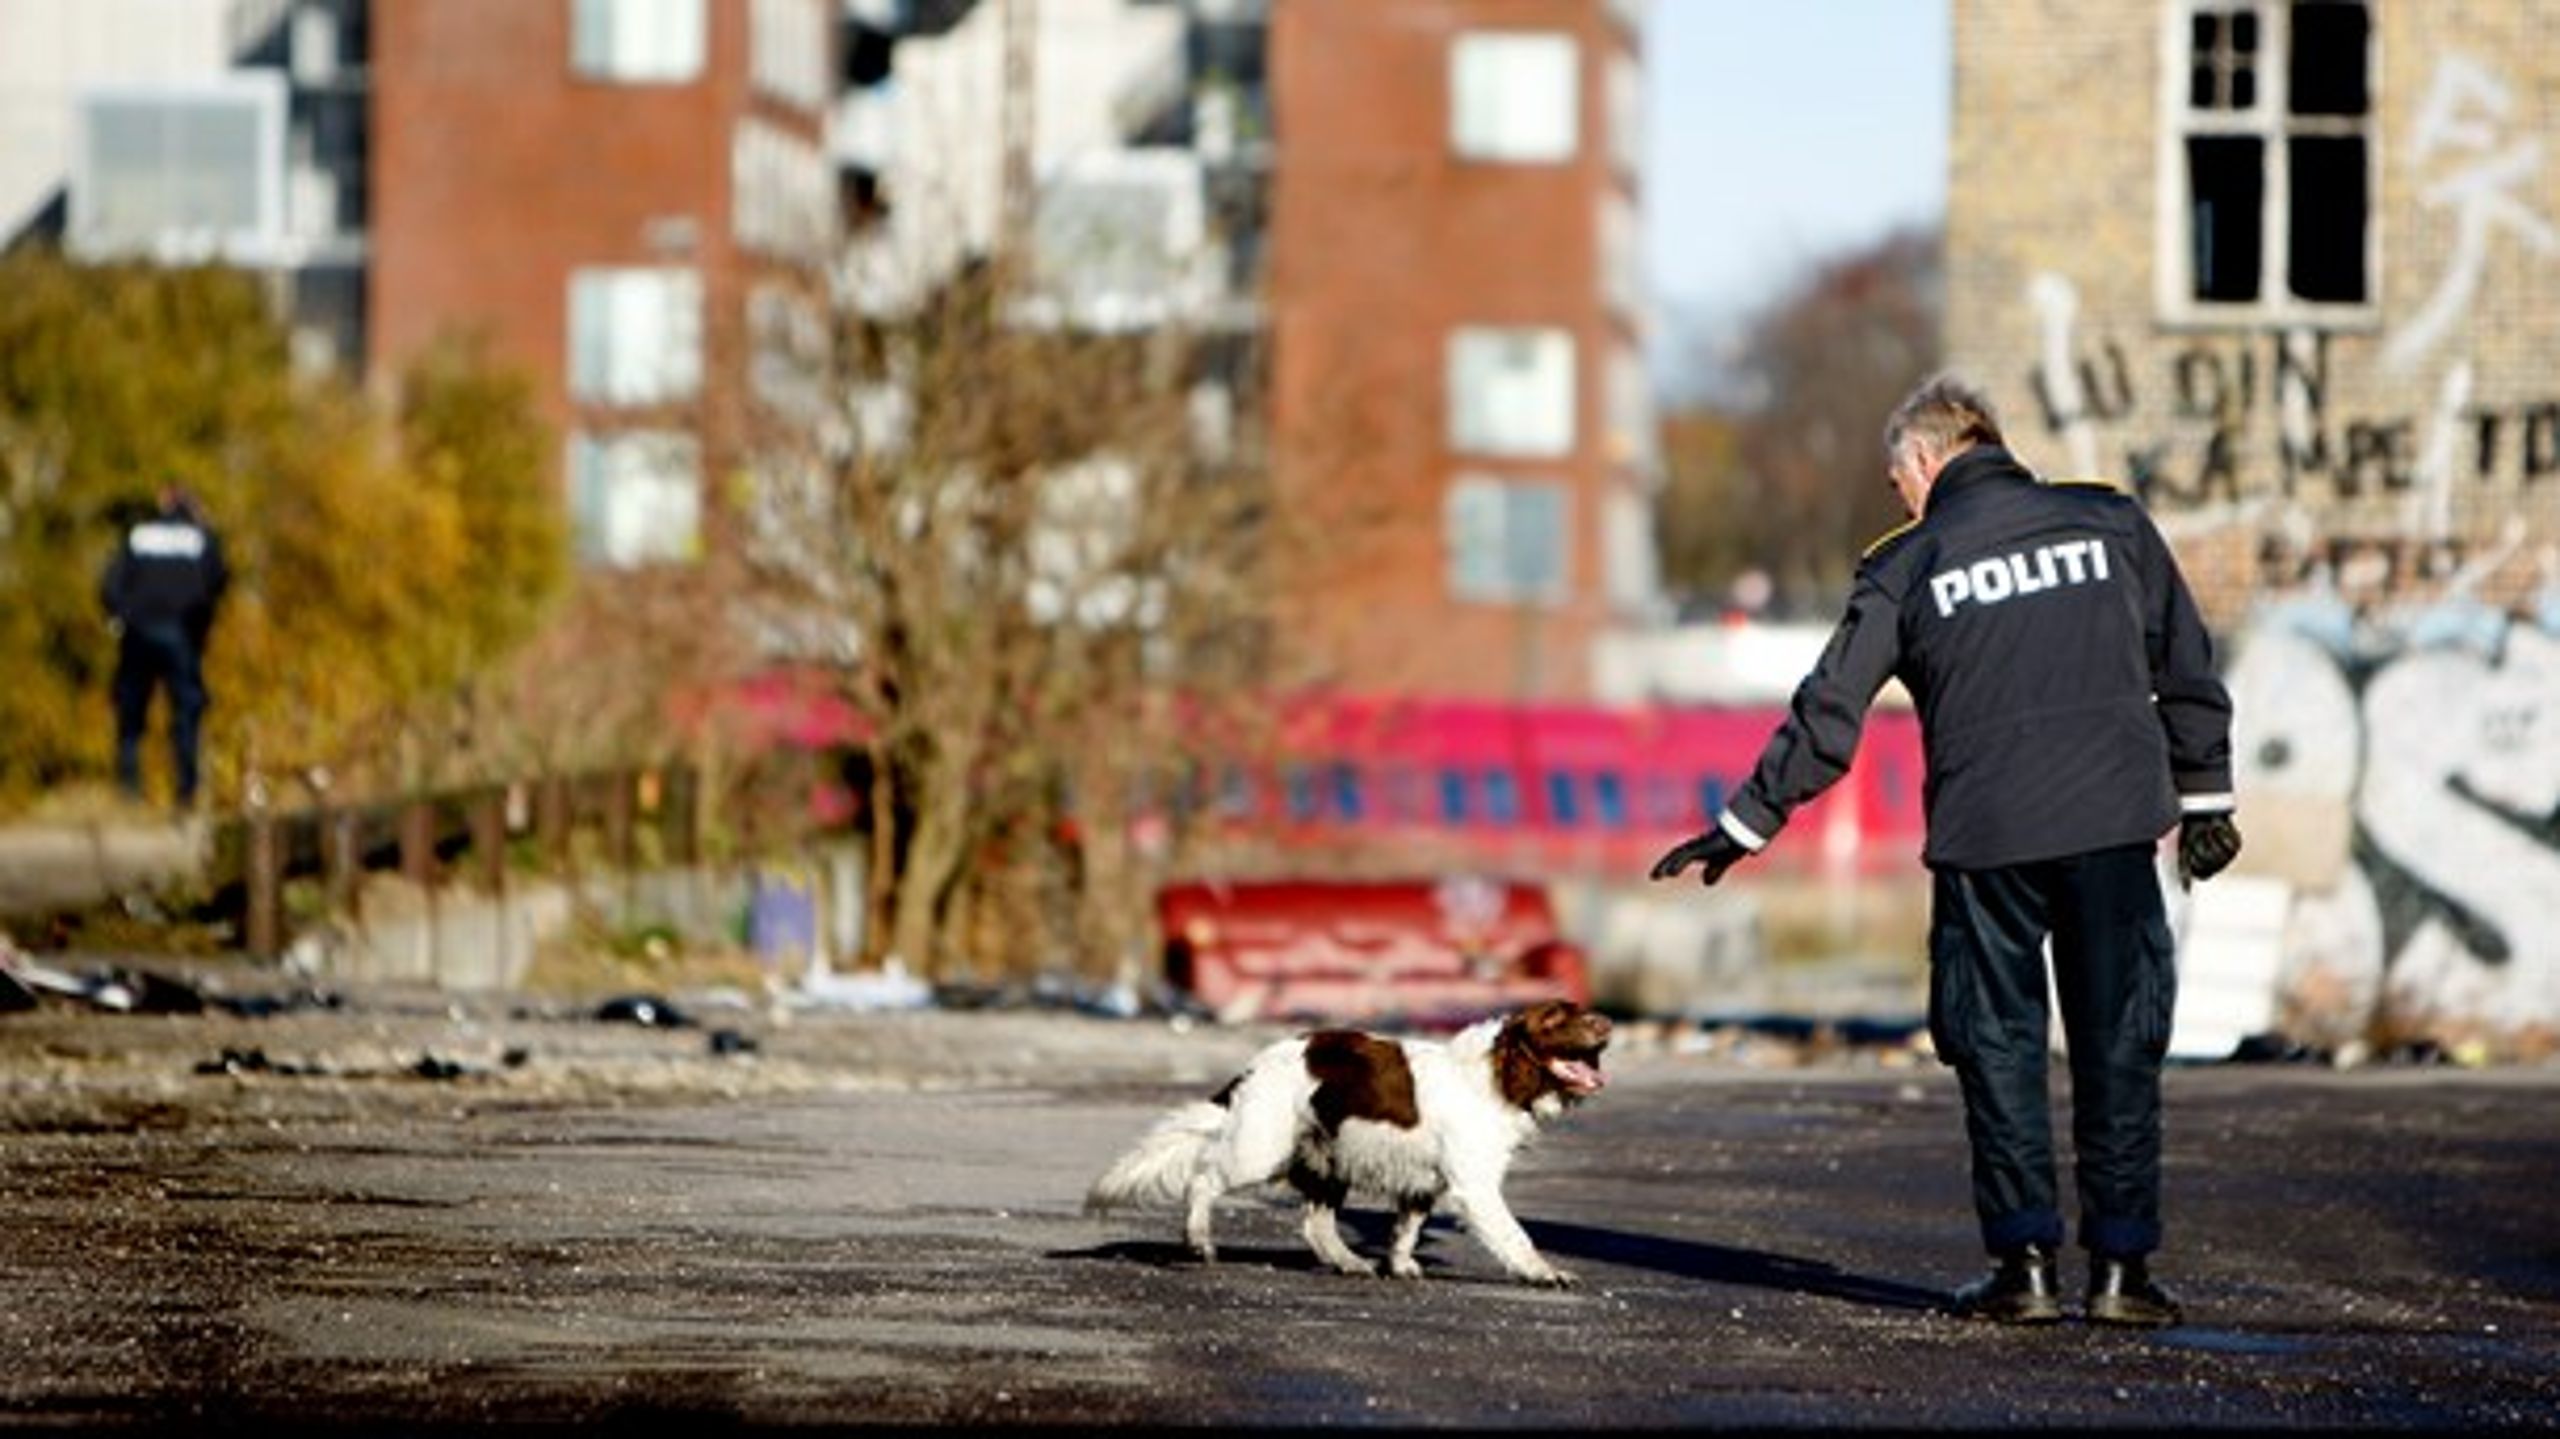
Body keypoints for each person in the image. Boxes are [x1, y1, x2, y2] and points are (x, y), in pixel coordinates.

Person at [1648, 374, 2240, 1328]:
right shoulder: (2113, 525)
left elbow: (1830, 709)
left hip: (1989, 842)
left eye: (1896, 482)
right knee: (2119, 1044)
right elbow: (2185, 661)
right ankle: (2124, 1274)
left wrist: (1748, 821)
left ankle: (2028, 1271)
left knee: (1998, 1045)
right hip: (2114, 830)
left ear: (1923, 460)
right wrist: (2206, 792)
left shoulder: (1910, 561)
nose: (1900, 499)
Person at [99, 484, 229, 812]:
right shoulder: (201, 538)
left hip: (138, 633)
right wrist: (200, 621)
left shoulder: (139, 535)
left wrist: (121, 616)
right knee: (186, 715)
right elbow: (219, 580)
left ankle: (129, 792)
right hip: (182, 635)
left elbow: (108, 585)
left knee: (130, 716)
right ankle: (186, 793)